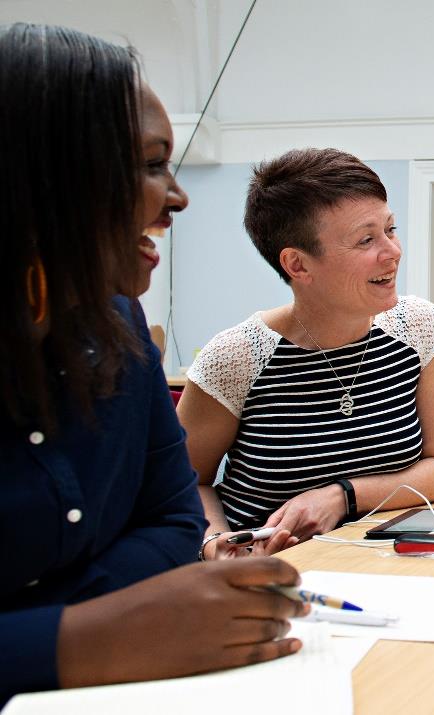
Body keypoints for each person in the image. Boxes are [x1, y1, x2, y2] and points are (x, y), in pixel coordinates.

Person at [0, 23, 305, 703]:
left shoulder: (121, 325)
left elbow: (170, 520)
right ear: (45, 172)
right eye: (147, 165)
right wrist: (82, 637)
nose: (177, 197)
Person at [177, 148, 434, 559]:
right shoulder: (235, 358)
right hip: (268, 576)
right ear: (297, 264)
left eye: (390, 229)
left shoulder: (419, 328)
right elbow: (184, 483)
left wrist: (341, 496)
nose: (392, 251)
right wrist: (214, 547)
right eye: (366, 239)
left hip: (391, 569)